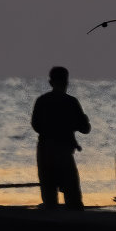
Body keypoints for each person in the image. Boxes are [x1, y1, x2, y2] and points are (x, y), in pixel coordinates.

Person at [31, 66, 90, 208]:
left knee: (49, 197)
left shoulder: (42, 101)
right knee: (73, 199)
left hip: (45, 152)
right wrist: (82, 120)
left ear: (51, 82)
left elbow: (35, 126)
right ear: (66, 82)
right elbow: (85, 129)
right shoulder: (71, 102)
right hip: (64, 153)